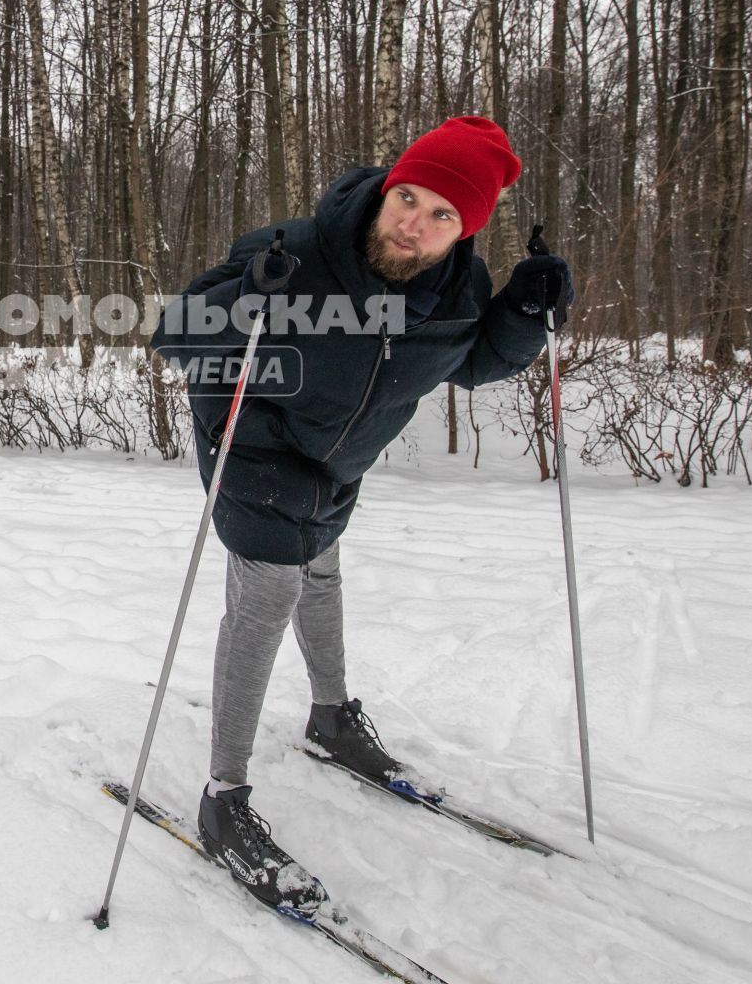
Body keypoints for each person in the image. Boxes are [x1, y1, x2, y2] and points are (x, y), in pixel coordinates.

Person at [148, 115, 572, 911]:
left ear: (466, 229)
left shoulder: (461, 293)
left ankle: (332, 719)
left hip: (339, 459)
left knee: (322, 569)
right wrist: (248, 299)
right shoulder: (292, 251)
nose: (414, 223)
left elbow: (474, 365)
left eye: (442, 214)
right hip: (254, 442)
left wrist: (522, 315)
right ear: (386, 188)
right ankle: (223, 796)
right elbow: (174, 335)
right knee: (268, 588)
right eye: (408, 198)